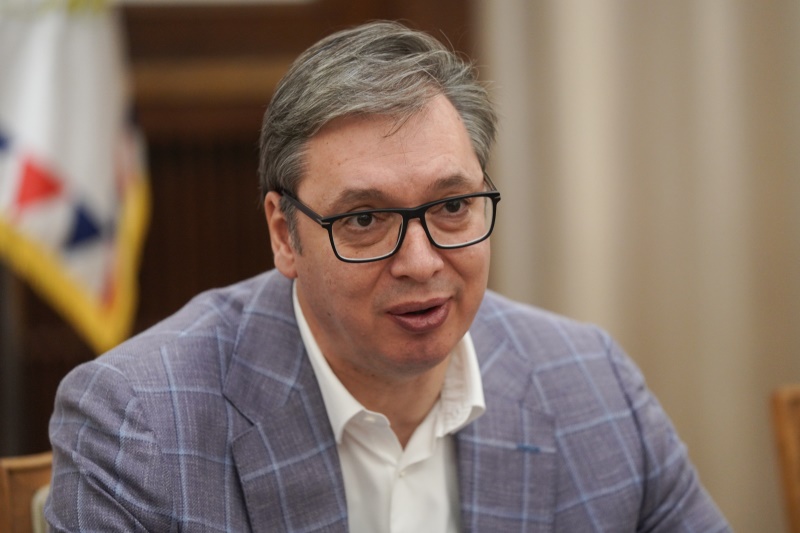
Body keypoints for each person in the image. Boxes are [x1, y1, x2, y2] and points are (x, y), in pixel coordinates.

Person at [46, 20, 730, 532]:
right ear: (284, 234)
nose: (421, 262)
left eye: (453, 207)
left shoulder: (594, 385)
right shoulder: (138, 424)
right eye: (366, 219)